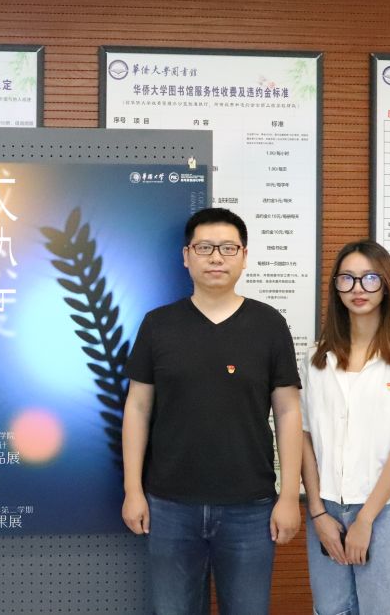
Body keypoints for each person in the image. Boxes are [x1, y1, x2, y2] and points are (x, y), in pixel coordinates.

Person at [120, 207, 303, 615]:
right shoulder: (158, 324)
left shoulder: (269, 325)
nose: (216, 257)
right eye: (204, 248)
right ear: (186, 256)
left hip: (250, 506)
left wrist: (290, 495)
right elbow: (137, 407)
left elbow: (288, 411)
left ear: (244, 256)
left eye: (227, 248)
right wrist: (133, 490)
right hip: (169, 505)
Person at [300, 240, 390, 615]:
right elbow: (304, 438)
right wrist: (318, 513)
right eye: (347, 278)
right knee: (331, 611)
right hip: (326, 510)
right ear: (335, 287)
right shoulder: (316, 358)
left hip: (387, 511)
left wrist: (365, 519)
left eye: (370, 278)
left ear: (387, 285)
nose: (358, 288)